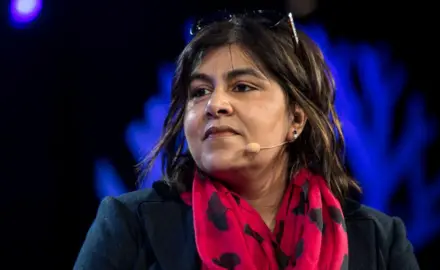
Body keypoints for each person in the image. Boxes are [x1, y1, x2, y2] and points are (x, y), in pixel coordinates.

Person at [74, 10, 420, 270]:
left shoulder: (378, 241)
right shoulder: (130, 225)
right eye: (199, 92)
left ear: (296, 120)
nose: (215, 104)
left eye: (242, 87)